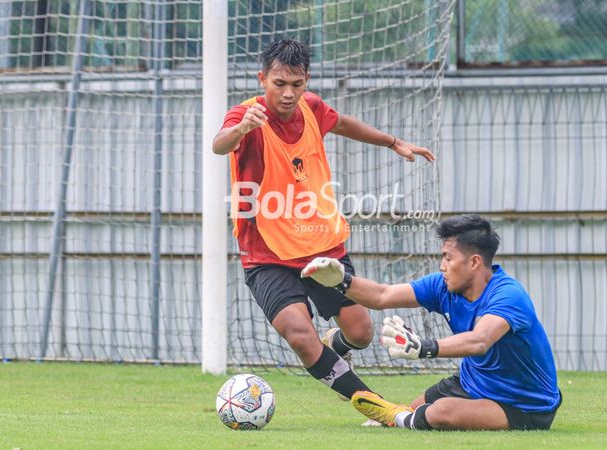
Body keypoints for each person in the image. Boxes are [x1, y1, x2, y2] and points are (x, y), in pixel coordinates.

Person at [211, 38, 434, 405]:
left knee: (361, 333)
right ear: (262, 78)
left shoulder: (311, 108)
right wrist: (240, 130)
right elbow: (219, 145)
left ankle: (334, 346)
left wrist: (392, 142)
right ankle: (376, 405)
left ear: (307, 81)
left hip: (321, 247)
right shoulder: (245, 116)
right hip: (267, 255)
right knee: (301, 336)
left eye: (296, 85)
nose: (287, 93)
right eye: (279, 84)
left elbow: (342, 122)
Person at [301, 214, 562, 431]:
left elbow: (479, 340)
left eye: (448, 258)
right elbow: (382, 295)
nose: (442, 265)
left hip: (524, 404)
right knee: (418, 409)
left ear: (474, 262)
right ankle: (403, 417)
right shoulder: (442, 286)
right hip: (471, 382)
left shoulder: (508, 294)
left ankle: (398, 418)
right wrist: (341, 281)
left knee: (439, 413)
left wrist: (424, 347)